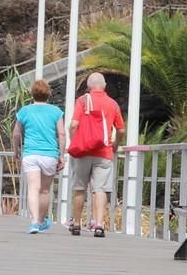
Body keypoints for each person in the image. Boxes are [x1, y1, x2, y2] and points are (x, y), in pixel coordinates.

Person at [68, 72, 125, 238]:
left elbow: (73, 125)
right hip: (104, 152)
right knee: (100, 189)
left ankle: (77, 224)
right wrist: (115, 145)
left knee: (79, 188)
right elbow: (121, 130)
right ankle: (99, 225)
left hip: (82, 151)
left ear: (88, 86)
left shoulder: (82, 101)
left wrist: (75, 142)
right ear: (105, 86)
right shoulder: (112, 104)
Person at [12, 79, 65, 234]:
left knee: (33, 188)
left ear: (32, 94)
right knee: (45, 191)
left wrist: (16, 150)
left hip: (30, 153)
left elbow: (16, 133)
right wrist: (61, 155)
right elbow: (61, 133)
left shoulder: (24, 111)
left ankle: (34, 222)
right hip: (49, 154)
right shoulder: (56, 111)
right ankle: (42, 221)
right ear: (48, 94)